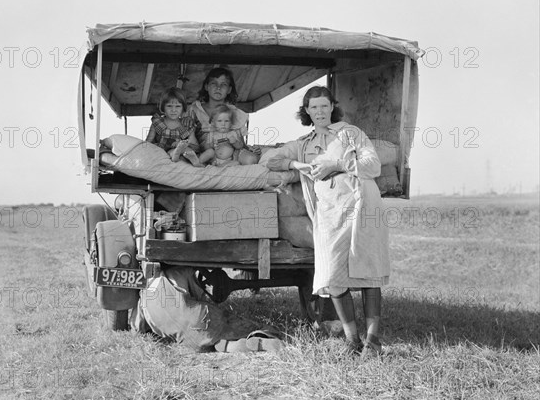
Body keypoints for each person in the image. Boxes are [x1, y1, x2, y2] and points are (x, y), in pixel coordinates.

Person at [265, 86, 390, 357]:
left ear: (332, 106)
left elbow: (373, 165)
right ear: (306, 111)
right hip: (330, 213)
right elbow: (271, 159)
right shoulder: (304, 143)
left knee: (368, 270)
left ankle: (373, 340)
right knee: (333, 275)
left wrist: (338, 166)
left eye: (324, 106)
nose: (319, 111)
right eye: (314, 107)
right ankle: (351, 339)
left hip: (361, 206)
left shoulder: (350, 133)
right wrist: (296, 166)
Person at [130, 265, 284, 353]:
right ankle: (268, 334)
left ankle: (234, 346)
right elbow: (201, 294)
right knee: (240, 326)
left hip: (182, 339)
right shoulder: (181, 271)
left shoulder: (144, 295)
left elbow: (137, 327)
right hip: (197, 316)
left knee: (214, 342)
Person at [187, 67, 260, 165]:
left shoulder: (234, 112)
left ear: (229, 90)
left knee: (251, 159)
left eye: (223, 84)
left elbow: (241, 144)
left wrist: (249, 149)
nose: (218, 88)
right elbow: (187, 135)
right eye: (214, 83)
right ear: (206, 86)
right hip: (207, 154)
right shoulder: (195, 109)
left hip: (232, 154)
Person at [145, 87, 203, 167]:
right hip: (163, 153)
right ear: (163, 107)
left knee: (187, 151)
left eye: (178, 106)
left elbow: (196, 147)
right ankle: (175, 154)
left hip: (182, 153)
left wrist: (185, 144)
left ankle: (195, 161)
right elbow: (148, 143)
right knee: (171, 152)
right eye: (169, 106)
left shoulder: (186, 125)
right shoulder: (157, 123)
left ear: (183, 108)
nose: (173, 110)